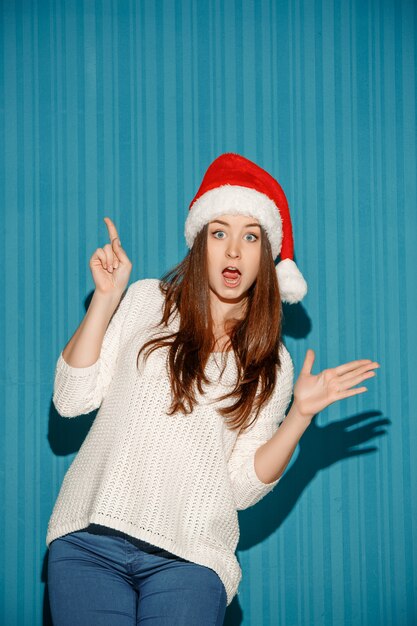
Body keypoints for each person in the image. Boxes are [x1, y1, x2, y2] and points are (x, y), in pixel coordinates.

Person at [46, 153, 380, 625]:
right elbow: (71, 397)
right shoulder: (146, 299)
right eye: (219, 232)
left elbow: (241, 486)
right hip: (90, 542)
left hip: (192, 559)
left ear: (266, 256)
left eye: (251, 236)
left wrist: (299, 418)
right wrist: (105, 299)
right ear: (200, 242)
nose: (233, 251)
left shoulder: (273, 365)